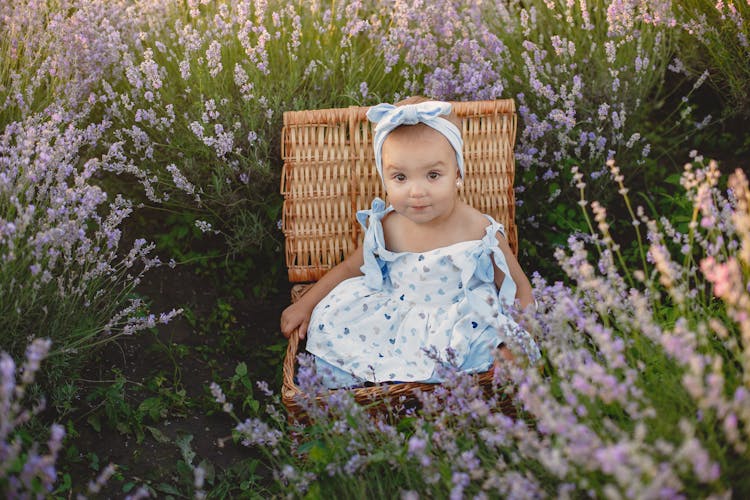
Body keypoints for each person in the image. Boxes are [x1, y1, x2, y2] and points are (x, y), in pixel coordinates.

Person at [280, 97, 540, 388]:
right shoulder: (388, 225)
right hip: (396, 322)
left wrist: (515, 344)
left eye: (433, 175)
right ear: (384, 178)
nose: (416, 191)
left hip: (457, 325)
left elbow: (521, 289)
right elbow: (350, 269)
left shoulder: (480, 230)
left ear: (458, 173)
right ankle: (369, 388)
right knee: (331, 321)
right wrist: (307, 304)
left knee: (487, 347)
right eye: (400, 177)